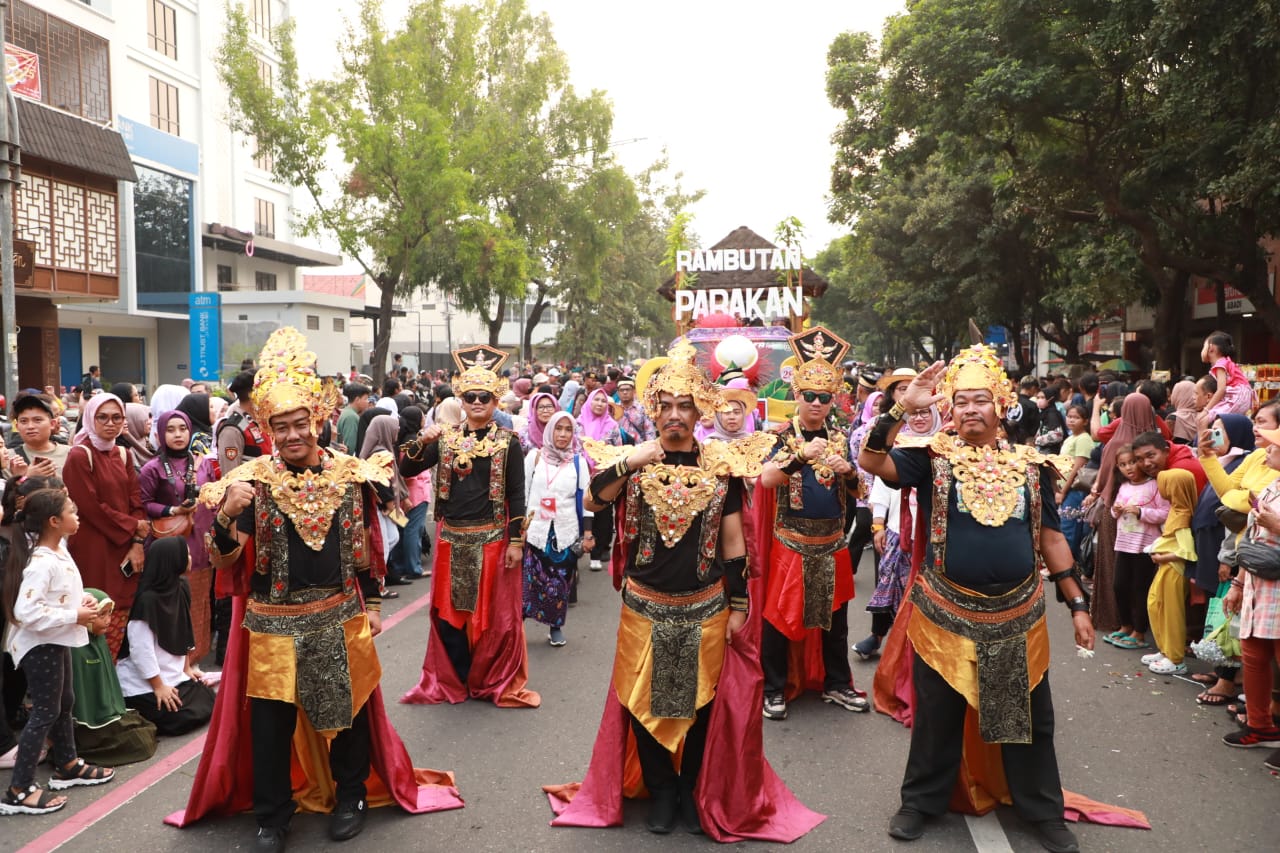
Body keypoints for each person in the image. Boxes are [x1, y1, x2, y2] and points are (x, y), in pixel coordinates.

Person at [168, 328, 462, 850]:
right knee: (270, 725)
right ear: (267, 429)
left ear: (318, 421)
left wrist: (372, 604)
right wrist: (225, 517)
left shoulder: (351, 475)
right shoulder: (251, 481)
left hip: (337, 614)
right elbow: (222, 559)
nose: (290, 435)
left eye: (299, 424)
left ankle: (350, 798)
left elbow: (368, 548)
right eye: (279, 427)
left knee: (344, 717)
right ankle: (273, 816)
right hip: (272, 623)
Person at [546, 340, 821, 841]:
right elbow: (593, 499)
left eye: (684, 406)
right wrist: (631, 462)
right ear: (655, 411)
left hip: (706, 606)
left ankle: (691, 788)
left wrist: (739, 603)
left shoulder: (721, 464)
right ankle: (661, 790)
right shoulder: (634, 460)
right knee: (640, 698)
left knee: (700, 704)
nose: (675, 414)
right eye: (666, 406)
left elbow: (734, 540)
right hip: (643, 606)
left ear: (698, 412)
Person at [858, 345, 1093, 853]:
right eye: (960, 400)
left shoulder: (1033, 467)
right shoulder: (931, 459)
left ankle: (1040, 811)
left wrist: (1076, 603)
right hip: (945, 611)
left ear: (1001, 404)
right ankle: (920, 802)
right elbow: (871, 459)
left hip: (1016, 613)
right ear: (949, 408)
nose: (969, 409)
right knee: (937, 714)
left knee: (1025, 717)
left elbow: (1051, 538)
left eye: (981, 400)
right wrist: (902, 408)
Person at [399, 344, 538, 709]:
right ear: (461, 398)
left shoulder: (508, 443)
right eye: (472, 396)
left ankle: (488, 677)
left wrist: (516, 541)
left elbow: (518, 494)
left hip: (492, 540)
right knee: (452, 616)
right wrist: (420, 440)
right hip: (450, 540)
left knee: (491, 618)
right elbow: (407, 469)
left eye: (486, 396)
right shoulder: (443, 438)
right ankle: (458, 677)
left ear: (496, 401)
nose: (478, 402)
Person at [757, 327, 868, 719]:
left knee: (836, 620)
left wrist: (848, 472)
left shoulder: (840, 437)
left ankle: (837, 683)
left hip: (833, 542)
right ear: (797, 397)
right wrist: (801, 456)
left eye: (824, 397)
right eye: (810, 396)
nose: (817, 403)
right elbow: (766, 480)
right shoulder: (781, 437)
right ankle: (774, 687)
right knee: (778, 619)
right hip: (791, 542)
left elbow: (860, 491)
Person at [2, 489, 115, 815]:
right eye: (72, 511)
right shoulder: (41, 562)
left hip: (56, 640)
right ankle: (19, 790)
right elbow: (26, 613)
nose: (77, 516)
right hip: (41, 645)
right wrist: (74, 616)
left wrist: (83, 602)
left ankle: (67, 764)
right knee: (44, 713)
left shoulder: (59, 551)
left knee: (64, 703)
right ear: (54, 521)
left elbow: (60, 597)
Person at [64, 393, 148, 660]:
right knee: (92, 611)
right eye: (102, 417)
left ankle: (109, 683)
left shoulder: (123, 453)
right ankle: (90, 691)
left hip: (124, 548)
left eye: (116, 418)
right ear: (90, 418)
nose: (110, 423)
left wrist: (136, 543)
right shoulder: (79, 455)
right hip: (92, 548)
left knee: (118, 612)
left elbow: (136, 500)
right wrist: (134, 525)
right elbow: (91, 507)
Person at [854, 405, 939, 660]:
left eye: (927, 413)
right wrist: (878, 525)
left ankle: (915, 651)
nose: (920, 417)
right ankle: (878, 637)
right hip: (897, 531)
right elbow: (882, 487)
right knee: (888, 585)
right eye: (915, 413)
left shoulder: (946, 448)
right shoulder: (896, 446)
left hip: (930, 536)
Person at [115, 538, 215, 736]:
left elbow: (185, 629)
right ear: (172, 560)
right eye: (184, 554)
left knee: (207, 698)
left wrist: (186, 668)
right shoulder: (147, 600)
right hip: (145, 683)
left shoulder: (181, 586)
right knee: (183, 716)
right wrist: (159, 686)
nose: (190, 558)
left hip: (172, 675)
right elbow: (140, 650)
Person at [1221, 424, 1280, 754]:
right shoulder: (1271, 485)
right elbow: (1254, 540)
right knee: (1254, 655)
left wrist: (1277, 526)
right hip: (1258, 585)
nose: (1267, 450)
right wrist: (1238, 583)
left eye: (1274, 446)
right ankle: (1260, 725)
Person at [139, 410, 213, 660]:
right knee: (172, 606)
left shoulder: (203, 463)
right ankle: (172, 664)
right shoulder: (153, 468)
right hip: (170, 548)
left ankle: (194, 663)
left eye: (182, 428)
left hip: (201, 546)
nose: (178, 434)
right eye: (170, 430)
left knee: (200, 604)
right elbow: (143, 503)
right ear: (160, 434)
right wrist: (173, 509)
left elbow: (214, 497)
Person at [522, 411, 592, 646]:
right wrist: (517, 531)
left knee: (560, 584)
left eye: (568, 429)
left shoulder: (578, 462)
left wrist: (588, 534)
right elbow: (523, 494)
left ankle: (556, 627)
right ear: (549, 430)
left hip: (565, 532)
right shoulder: (534, 457)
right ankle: (517, 627)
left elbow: (586, 501)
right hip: (535, 531)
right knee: (529, 582)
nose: (563, 434)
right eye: (558, 428)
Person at [69, 588, 159, 767]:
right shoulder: (74, 649)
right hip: (88, 724)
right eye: (101, 615)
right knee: (139, 742)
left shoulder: (99, 640)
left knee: (146, 727)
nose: (108, 620)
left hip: (109, 713)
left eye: (109, 614)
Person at [1105, 445, 1167, 650]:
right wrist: (1116, 510)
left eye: (1132, 462)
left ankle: (1139, 632)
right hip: (1124, 542)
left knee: (1141, 588)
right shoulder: (1124, 487)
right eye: (1122, 465)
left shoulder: (1155, 485)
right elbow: (1115, 512)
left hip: (1145, 544)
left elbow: (1165, 512)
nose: (1128, 468)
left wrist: (1141, 512)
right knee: (1120, 585)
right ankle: (1125, 625)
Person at [578, 388, 622, 573]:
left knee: (602, 515)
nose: (599, 404)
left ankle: (597, 552)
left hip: (603, 475)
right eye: (596, 400)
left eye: (603, 401)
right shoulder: (577, 423)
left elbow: (618, 449)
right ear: (589, 402)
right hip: (580, 472)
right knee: (581, 512)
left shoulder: (612, 426)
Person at [214, 371, 272, 478]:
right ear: (253, 395)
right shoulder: (233, 430)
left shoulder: (259, 423)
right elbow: (229, 476)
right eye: (265, 391)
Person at [6, 393, 71, 478]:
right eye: (24, 421)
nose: (30, 426)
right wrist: (27, 477)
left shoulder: (71, 454)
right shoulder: (9, 459)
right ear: (17, 426)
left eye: (37, 420)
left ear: (52, 424)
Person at [1201, 331, 1254, 423]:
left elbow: (1221, 390)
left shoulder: (1220, 365)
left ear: (1211, 348)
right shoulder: (1226, 361)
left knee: (1203, 420)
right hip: (1243, 397)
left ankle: (1203, 437)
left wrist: (1206, 410)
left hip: (1237, 397)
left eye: (1204, 347)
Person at [615, 377, 656, 445]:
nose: (625, 392)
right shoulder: (614, 409)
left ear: (634, 391)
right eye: (622, 390)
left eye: (628, 389)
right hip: (619, 450)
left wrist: (649, 448)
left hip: (639, 449)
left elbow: (649, 431)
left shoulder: (642, 408)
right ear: (618, 393)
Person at [336, 383, 372, 453]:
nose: (368, 402)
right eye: (366, 399)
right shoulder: (351, 417)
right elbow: (350, 448)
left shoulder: (348, 412)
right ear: (357, 399)